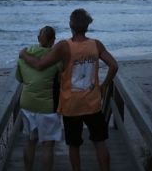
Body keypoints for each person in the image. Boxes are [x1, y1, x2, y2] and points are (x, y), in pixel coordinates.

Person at [19, 9, 118, 171]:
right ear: (87, 26)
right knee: (100, 142)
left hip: (71, 106)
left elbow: (39, 64)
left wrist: (23, 55)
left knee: (74, 145)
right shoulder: (96, 44)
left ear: (71, 25)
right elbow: (114, 65)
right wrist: (104, 85)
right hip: (93, 104)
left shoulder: (64, 46)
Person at [15, 26, 62, 171]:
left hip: (27, 104)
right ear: (53, 41)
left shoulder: (24, 57)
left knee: (30, 141)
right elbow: (61, 81)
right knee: (48, 145)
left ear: (38, 39)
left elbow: (20, 78)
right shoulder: (55, 60)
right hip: (48, 107)